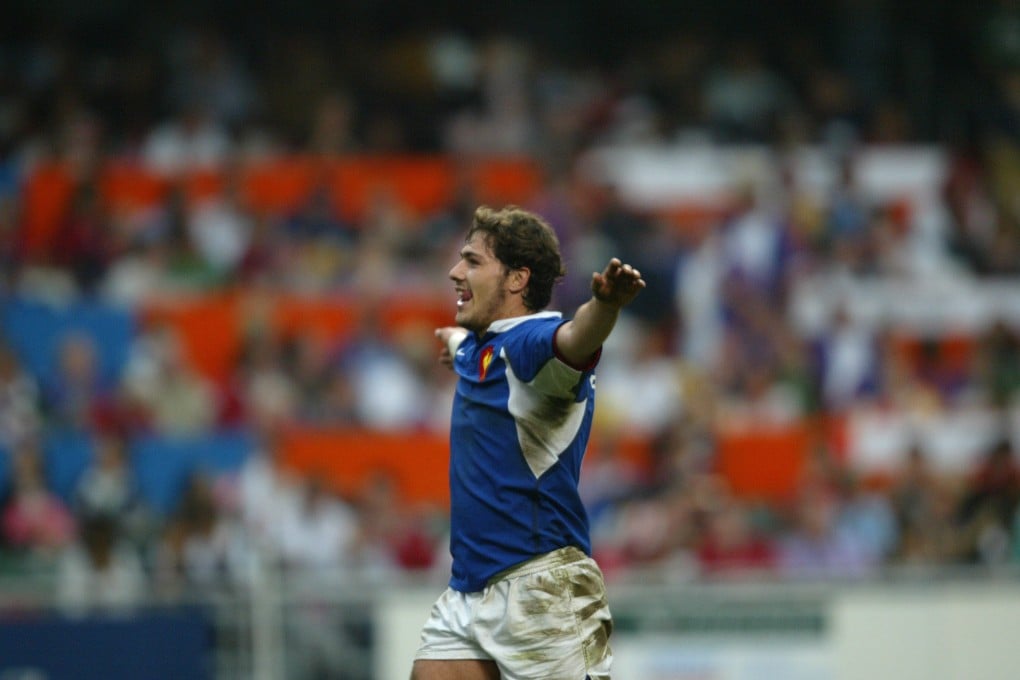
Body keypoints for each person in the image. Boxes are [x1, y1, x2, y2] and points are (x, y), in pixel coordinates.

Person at [412, 205, 645, 680]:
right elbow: (470, 351)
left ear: (517, 280)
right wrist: (452, 339)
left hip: (540, 592)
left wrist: (605, 307)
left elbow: (577, 339)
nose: (456, 272)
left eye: (473, 262)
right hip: (468, 590)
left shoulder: (532, 345)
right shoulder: (482, 346)